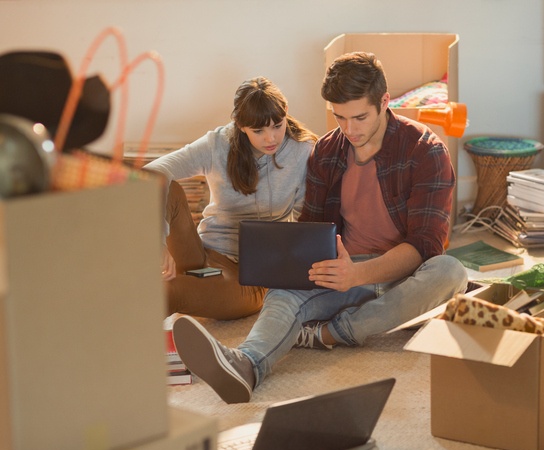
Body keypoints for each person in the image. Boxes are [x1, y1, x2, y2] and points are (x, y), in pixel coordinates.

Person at [172, 52, 469, 403]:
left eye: (359, 117)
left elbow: (425, 245)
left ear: (385, 102)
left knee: (450, 271)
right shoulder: (327, 152)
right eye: (339, 117)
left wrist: (357, 276)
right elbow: (312, 230)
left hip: (405, 273)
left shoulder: (425, 152)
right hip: (342, 269)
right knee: (285, 291)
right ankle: (246, 364)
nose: (350, 129)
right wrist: (298, 268)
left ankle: (329, 334)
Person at [145, 77, 317, 321]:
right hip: (204, 254)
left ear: (286, 113)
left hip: (251, 276)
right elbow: (152, 172)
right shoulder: (218, 144)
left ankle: (122, 332)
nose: (271, 138)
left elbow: (305, 223)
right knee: (168, 188)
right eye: (258, 130)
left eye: (277, 125)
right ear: (240, 125)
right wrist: (157, 240)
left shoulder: (303, 150)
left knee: (171, 292)